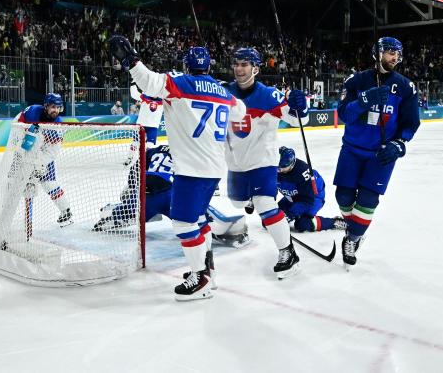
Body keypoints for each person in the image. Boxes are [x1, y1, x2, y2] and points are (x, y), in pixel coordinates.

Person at [109, 35, 246, 301]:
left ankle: (200, 278)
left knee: (183, 223)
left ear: (187, 66)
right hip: (214, 167)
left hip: (191, 169)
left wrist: (131, 60)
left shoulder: (179, 84)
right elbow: (241, 117)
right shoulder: (226, 94)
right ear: (208, 67)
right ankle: (208, 272)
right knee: (199, 220)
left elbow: (148, 81)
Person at [334, 37, 420, 269]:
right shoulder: (357, 81)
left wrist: (400, 144)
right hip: (352, 150)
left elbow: (411, 123)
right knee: (343, 197)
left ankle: (352, 239)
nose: (394, 57)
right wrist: (365, 99)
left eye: (398, 53)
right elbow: (344, 115)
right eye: (390, 51)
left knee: (368, 200)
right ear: (378, 53)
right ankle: (356, 229)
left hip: (382, 154)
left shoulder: (405, 86)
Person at [223, 47, 308, 279]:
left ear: (256, 68)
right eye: (237, 64)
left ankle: (287, 253)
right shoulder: (223, 92)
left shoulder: (269, 95)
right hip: (236, 163)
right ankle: (249, 197)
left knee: (265, 204)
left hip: (263, 161)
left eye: (245, 64)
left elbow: (298, 119)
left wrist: (301, 105)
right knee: (237, 203)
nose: (239, 69)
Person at [92, 145, 249, 253]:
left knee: (130, 211)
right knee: (193, 213)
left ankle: (111, 213)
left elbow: (135, 171)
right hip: (170, 195)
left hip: (144, 198)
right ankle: (219, 227)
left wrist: (132, 190)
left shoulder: (154, 150)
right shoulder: (186, 153)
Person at [15, 93, 73, 228]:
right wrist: (21, 147)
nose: (56, 110)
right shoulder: (33, 111)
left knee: (49, 183)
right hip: (25, 151)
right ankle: (3, 213)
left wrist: (40, 163)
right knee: (14, 183)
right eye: (53, 107)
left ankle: (66, 211)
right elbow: (17, 126)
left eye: (58, 107)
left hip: (44, 156)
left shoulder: (57, 125)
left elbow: (52, 151)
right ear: (46, 106)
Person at [277, 146, 346, 232]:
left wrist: (290, 214)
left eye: (283, 167)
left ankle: (333, 222)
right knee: (272, 219)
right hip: (293, 195)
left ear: (292, 164)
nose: (279, 170)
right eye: (277, 167)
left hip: (313, 197)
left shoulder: (303, 173)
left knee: (302, 224)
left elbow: (307, 201)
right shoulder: (274, 167)